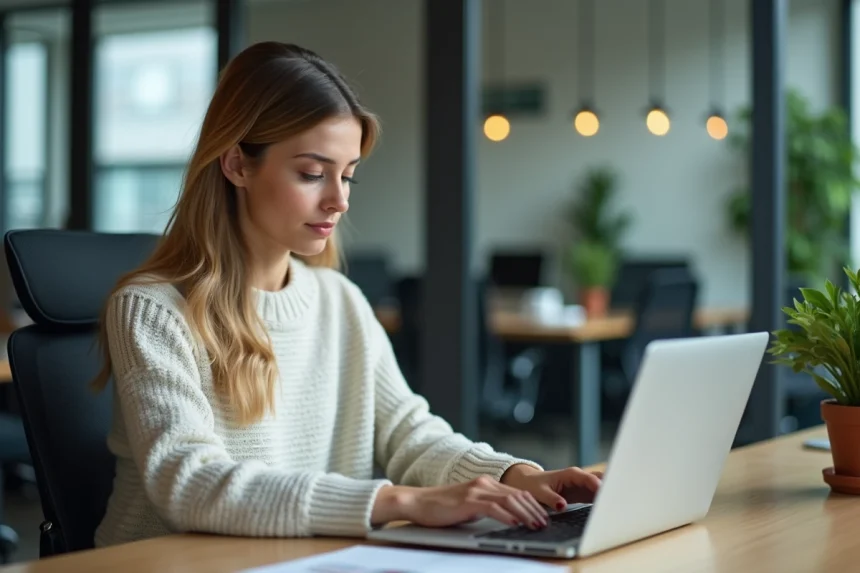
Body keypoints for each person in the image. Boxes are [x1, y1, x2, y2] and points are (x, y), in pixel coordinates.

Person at [92, 41, 601, 548]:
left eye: (348, 175)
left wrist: (514, 475)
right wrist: (400, 502)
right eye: (312, 174)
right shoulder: (153, 310)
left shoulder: (340, 300)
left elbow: (410, 434)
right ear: (237, 165)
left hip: (304, 558)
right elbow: (189, 483)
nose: (338, 200)